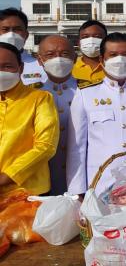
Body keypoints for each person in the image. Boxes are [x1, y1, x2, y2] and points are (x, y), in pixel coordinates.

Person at [67, 33, 126, 195]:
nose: (119, 60)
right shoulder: (86, 94)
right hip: (100, 184)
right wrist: (78, 192)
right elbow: (76, 149)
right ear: (101, 60)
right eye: (113, 55)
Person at [0, 42, 59, 195]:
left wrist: (8, 176)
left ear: (21, 68)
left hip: (28, 193)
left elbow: (45, 146)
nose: (1, 72)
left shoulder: (39, 98)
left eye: (7, 66)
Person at [35, 35, 77, 195]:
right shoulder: (33, 93)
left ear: (74, 58)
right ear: (40, 60)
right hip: (45, 177)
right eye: (50, 55)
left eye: (65, 54)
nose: (58, 59)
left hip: (81, 175)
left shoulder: (88, 91)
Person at [0, 8, 47, 85]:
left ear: (26, 35)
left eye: (17, 29)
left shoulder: (41, 67)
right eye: (5, 29)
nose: (11, 35)